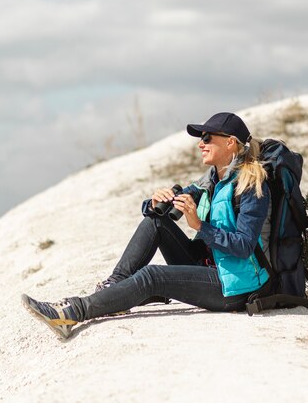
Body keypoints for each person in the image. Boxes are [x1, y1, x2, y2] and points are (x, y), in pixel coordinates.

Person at [21, 112, 272, 339]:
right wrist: (153, 202)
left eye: (207, 138)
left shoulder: (252, 186)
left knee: (153, 276)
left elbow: (244, 246)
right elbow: (161, 210)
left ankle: (73, 312)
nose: (200, 144)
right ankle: (114, 288)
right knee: (155, 222)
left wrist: (199, 226)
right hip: (209, 266)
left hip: (235, 286)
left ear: (230, 142)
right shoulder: (211, 181)